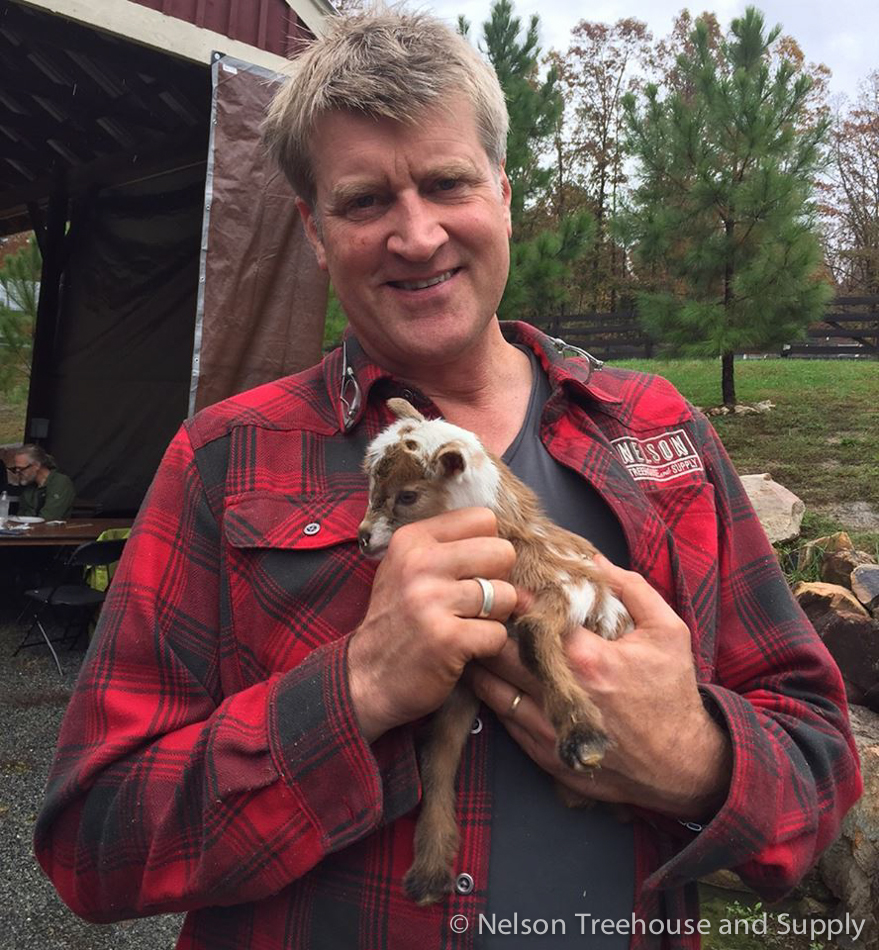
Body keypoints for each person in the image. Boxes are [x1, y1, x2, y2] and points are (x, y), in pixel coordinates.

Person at [35, 12, 861, 950]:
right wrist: (354, 690)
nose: (416, 235)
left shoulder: (663, 435)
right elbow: (92, 846)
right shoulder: (225, 459)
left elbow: (822, 767)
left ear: (504, 193)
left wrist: (698, 760)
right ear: (313, 230)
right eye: (363, 201)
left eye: (446, 183)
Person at [10, 444, 76, 520]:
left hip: (51, 530)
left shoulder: (61, 483)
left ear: (36, 465)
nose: (17, 472)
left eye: (21, 469)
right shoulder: (28, 485)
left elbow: (49, 517)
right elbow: (21, 515)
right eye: (16, 468)